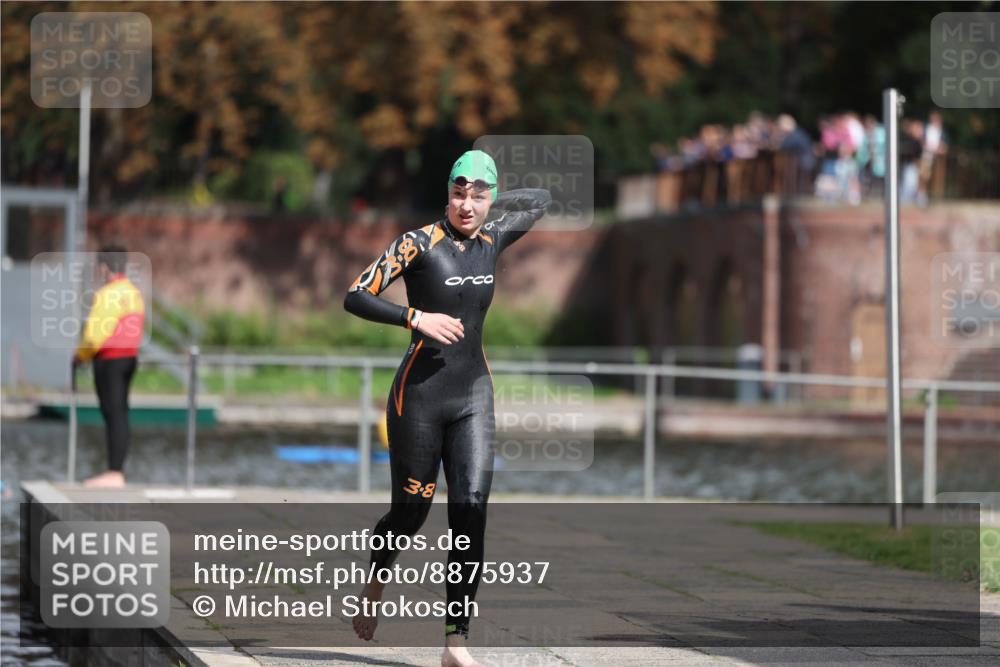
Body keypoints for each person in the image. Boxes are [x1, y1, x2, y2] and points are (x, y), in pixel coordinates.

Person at [343, 149, 550, 667]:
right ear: (447, 193)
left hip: (474, 396)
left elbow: (542, 199)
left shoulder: (493, 238)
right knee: (410, 515)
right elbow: (355, 294)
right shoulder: (418, 243)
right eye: (458, 191)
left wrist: (493, 190)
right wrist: (415, 317)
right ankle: (373, 586)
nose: (466, 204)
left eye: (478, 194)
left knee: (471, 512)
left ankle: (455, 643)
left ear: (491, 198)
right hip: (419, 397)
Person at [72, 245, 146, 488]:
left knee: (112, 414)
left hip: (109, 361)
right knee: (121, 414)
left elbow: (94, 335)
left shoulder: (107, 294)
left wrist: (79, 356)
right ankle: (117, 470)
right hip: (129, 359)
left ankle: (114, 473)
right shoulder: (133, 292)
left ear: (104, 267)